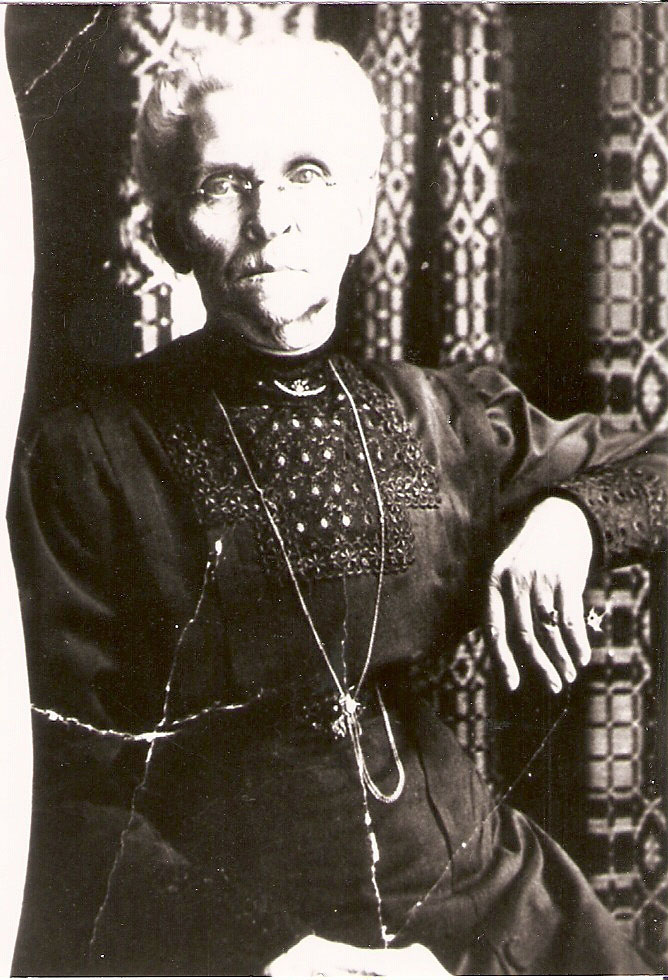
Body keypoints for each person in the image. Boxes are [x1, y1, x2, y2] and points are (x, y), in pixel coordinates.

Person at [8, 36, 666, 976]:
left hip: (492, 900)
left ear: (359, 214)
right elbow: (58, 791)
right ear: (171, 231)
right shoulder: (89, 458)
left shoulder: (446, 415)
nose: (270, 217)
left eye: (306, 175)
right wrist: (278, 955)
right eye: (223, 184)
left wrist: (573, 519)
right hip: (251, 941)